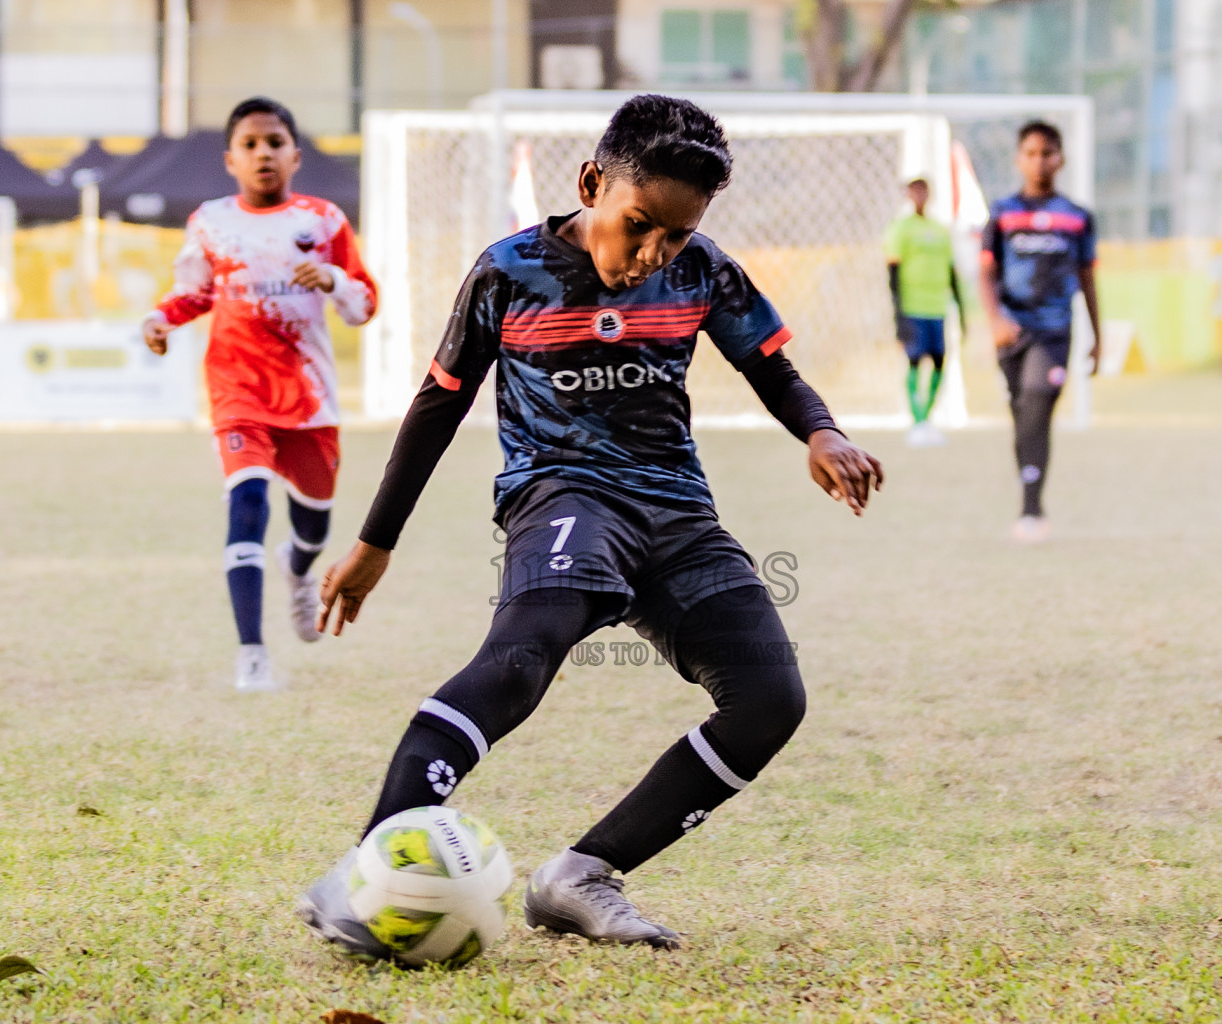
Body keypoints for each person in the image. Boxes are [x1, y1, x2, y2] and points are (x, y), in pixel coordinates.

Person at [296, 95, 883, 955]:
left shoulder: (703, 272)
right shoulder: (509, 272)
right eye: (639, 224)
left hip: (677, 511)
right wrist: (374, 544)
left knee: (769, 699)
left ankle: (580, 877)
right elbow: (436, 408)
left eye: (674, 237)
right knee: (517, 665)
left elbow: (772, 368)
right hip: (562, 497)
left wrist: (823, 430)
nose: (652, 254)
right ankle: (366, 870)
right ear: (591, 183)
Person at [142, 97, 377, 691]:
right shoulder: (210, 222)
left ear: (295, 155)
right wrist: (160, 320)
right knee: (247, 504)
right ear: (230, 160)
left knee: (314, 528)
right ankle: (252, 653)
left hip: (308, 395)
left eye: (274, 142)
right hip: (237, 389)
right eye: (249, 145)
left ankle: (297, 570)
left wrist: (334, 278)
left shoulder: (323, 221)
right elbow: (196, 293)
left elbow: (364, 305)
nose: (262, 153)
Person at [978, 121, 1101, 544]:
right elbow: (985, 274)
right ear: (1019, 159)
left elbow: (1088, 278)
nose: (1039, 161)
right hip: (1012, 333)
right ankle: (1029, 484)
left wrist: (1098, 337)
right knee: (1021, 415)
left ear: (1061, 158)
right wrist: (995, 320)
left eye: (1047, 153)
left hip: (1054, 333)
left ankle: (1032, 508)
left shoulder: (1078, 217)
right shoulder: (1003, 212)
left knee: (1037, 401)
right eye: (1030, 153)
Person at [882, 177, 966, 445]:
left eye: (924, 190)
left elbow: (952, 273)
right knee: (915, 360)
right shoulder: (901, 229)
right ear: (908, 194)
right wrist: (898, 314)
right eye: (914, 190)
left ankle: (927, 417)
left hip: (937, 308)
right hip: (912, 307)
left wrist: (962, 311)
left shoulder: (940, 230)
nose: (920, 195)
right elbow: (892, 272)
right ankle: (916, 421)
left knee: (940, 360)